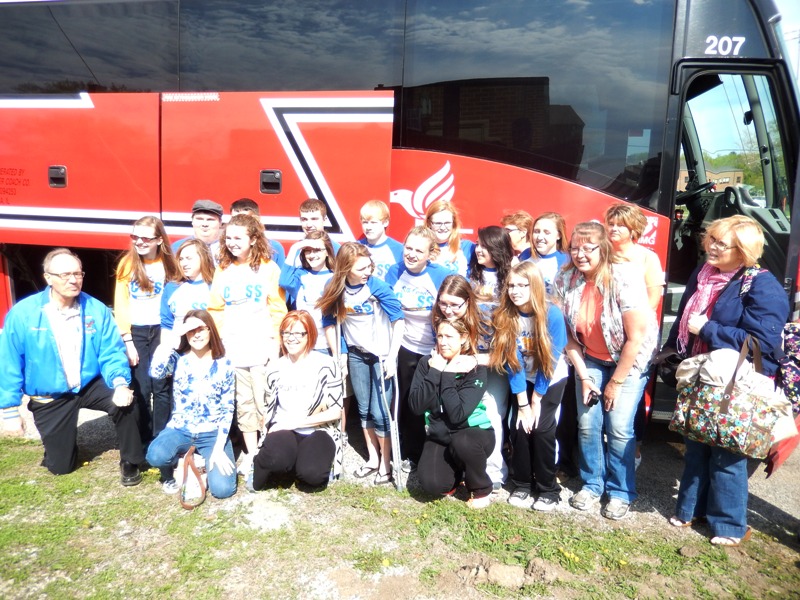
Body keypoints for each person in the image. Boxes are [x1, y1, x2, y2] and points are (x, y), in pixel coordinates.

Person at [660, 215, 788, 546]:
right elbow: (686, 320)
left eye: (723, 244)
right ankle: (690, 510)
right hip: (702, 373)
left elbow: (761, 343)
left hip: (738, 383)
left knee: (727, 455)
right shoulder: (703, 273)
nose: (712, 247)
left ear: (743, 251)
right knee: (696, 446)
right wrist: (671, 353)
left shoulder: (763, 286)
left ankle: (730, 525)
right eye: (712, 239)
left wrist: (708, 329)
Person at [0, 248, 144, 485]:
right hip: (51, 394)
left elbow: (111, 351)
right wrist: (10, 412)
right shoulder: (23, 314)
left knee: (127, 400)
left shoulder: (96, 309)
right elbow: (9, 362)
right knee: (61, 467)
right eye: (65, 274)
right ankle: (62, 445)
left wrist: (120, 383)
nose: (73, 280)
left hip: (88, 383)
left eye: (78, 273)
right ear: (48, 278)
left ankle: (131, 461)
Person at [554, 222, 658, 520]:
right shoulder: (565, 278)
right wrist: (584, 377)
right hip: (589, 356)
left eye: (588, 248)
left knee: (619, 427)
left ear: (604, 249)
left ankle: (621, 491)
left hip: (629, 359)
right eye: (575, 248)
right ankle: (592, 484)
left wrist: (615, 383)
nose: (580, 254)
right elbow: (567, 335)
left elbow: (635, 339)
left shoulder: (624, 278)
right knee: (588, 423)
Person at [318, 242, 404, 485]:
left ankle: (386, 464)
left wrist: (392, 356)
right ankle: (373, 458)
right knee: (364, 408)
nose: (368, 271)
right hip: (356, 353)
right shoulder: (335, 286)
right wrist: (340, 354)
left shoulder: (377, 286)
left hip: (380, 355)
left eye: (369, 266)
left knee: (380, 411)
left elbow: (398, 319)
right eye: (362, 268)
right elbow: (329, 322)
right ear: (346, 269)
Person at [208, 214, 287, 478]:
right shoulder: (223, 269)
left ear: (253, 239)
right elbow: (215, 309)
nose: (232, 242)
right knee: (243, 404)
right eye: (228, 237)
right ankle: (251, 453)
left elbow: (277, 308)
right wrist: (220, 343)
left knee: (266, 401)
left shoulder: (268, 268)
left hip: (262, 347)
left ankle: (268, 449)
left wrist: (275, 344)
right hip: (234, 348)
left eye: (238, 238)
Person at [490, 262, 568, 511]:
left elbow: (550, 361)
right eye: (511, 286)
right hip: (522, 378)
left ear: (534, 286)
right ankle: (522, 484)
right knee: (520, 427)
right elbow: (513, 362)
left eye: (522, 285)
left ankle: (548, 489)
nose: (515, 291)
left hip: (549, 378)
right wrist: (523, 404)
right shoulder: (506, 315)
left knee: (543, 430)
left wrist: (536, 401)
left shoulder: (552, 314)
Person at [147, 310, 237, 498]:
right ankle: (183, 462)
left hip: (212, 433)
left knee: (223, 490)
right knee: (155, 455)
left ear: (211, 330)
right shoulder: (177, 359)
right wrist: (174, 336)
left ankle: (199, 461)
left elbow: (227, 408)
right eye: (190, 330)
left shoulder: (225, 364)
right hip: (180, 429)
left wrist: (219, 448)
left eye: (201, 329)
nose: (196, 335)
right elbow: (155, 371)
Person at [251, 311, 344, 491]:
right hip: (283, 429)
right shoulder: (275, 367)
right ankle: (279, 462)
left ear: (310, 335)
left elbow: (336, 411)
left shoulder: (327, 365)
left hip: (317, 429)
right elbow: (268, 409)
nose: (291, 338)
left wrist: (294, 422)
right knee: (276, 461)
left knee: (312, 475)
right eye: (286, 333)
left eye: (298, 333)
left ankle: (301, 463)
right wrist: (268, 433)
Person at [408, 318, 493, 508]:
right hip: (439, 434)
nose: (443, 342)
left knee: (463, 442)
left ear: (463, 338)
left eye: (449, 336)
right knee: (432, 484)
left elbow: (457, 414)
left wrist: (447, 374)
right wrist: (435, 372)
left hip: (472, 433)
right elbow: (416, 406)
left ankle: (481, 489)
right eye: (439, 336)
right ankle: (456, 475)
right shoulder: (427, 363)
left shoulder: (474, 367)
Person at [385, 226, 449, 471]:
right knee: (408, 401)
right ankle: (409, 452)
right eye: (408, 248)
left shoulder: (440, 275)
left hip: (433, 348)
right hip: (405, 346)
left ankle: (436, 454)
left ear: (430, 254)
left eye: (418, 251)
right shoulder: (395, 271)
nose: (411, 254)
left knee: (432, 402)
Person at [114, 215, 180, 440]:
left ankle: (161, 437)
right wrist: (127, 340)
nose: (139, 242)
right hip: (137, 332)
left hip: (163, 330)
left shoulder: (170, 264)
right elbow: (121, 303)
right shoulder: (128, 264)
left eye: (146, 238)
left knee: (162, 386)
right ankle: (143, 436)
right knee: (142, 387)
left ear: (159, 240)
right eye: (135, 237)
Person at [467, 225, 515, 489]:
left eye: (484, 246)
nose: (478, 250)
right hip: (471, 356)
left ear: (498, 248)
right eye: (477, 244)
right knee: (471, 413)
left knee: (494, 414)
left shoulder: (511, 280)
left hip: (498, 361)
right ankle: (471, 467)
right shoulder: (469, 277)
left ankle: (495, 471)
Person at [604, 203, 664, 311]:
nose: (614, 229)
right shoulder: (600, 253)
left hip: (635, 318)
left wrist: (639, 319)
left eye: (620, 225)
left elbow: (653, 300)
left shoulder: (648, 257)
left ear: (633, 228)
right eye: (611, 224)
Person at [160, 239, 215, 347]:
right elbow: (166, 324)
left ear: (203, 258)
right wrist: (165, 349)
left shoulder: (215, 286)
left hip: (208, 349)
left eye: (189, 258)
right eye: (181, 259)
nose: (184, 263)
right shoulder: (171, 288)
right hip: (178, 349)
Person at [230, 197, 286, 268]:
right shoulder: (223, 248)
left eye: (245, 220)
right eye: (234, 219)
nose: (238, 224)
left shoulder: (274, 247)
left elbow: (281, 274)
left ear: (257, 220)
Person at [285, 198, 342, 266]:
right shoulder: (297, 249)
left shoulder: (336, 249)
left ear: (324, 220)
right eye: (304, 219)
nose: (309, 225)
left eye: (314, 219)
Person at [424, 199, 474, 276]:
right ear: (429, 223)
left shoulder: (467, 247)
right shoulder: (420, 247)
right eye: (438, 223)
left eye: (447, 223)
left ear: (453, 224)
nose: (442, 227)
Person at [358, 199, 403, 281]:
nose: (368, 227)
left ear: (385, 222)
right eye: (365, 222)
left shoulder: (399, 249)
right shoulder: (356, 248)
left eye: (373, 222)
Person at [530, 212, 570, 295]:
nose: (539, 237)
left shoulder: (567, 260)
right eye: (536, 231)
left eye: (546, 232)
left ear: (559, 235)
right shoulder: (524, 256)